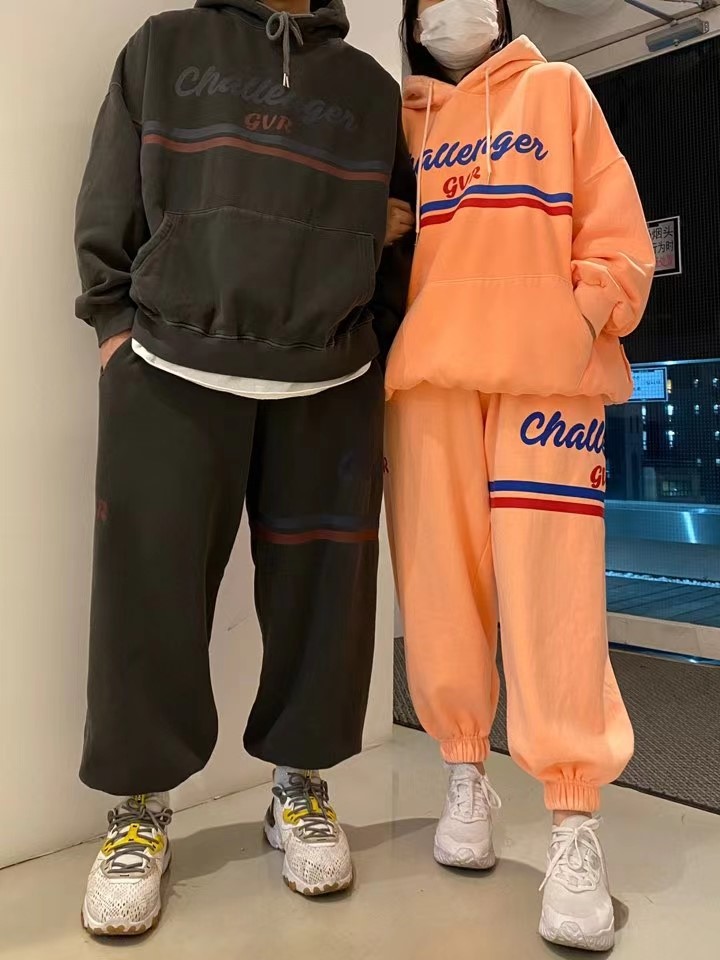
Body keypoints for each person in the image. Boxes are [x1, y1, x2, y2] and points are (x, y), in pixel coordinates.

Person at [74, 0, 414, 936]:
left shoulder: (369, 89)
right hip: (169, 361)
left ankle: (299, 786)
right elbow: (110, 191)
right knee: (147, 597)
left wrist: (375, 342)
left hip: (331, 373)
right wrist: (112, 325)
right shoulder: (164, 46)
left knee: (325, 600)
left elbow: (405, 232)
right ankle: (138, 808)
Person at [386, 0, 655, 951]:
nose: (450, 8)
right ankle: (465, 769)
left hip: (547, 383)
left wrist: (579, 317)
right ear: (412, 19)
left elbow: (620, 235)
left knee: (555, 590)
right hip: (430, 383)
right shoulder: (403, 122)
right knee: (439, 585)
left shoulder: (559, 89)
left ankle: (573, 819)